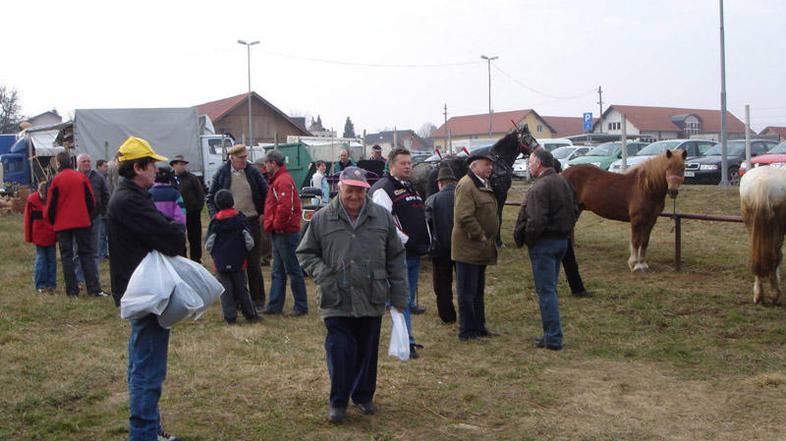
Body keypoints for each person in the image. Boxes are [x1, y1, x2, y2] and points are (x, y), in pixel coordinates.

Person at [297, 166, 408, 423]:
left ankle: (363, 395)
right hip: (336, 296)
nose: (355, 196)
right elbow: (305, 253)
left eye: (360, 191)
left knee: (367, 351)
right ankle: (338, 402)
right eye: (350, 190)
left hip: (372, 294)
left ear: (366, 191)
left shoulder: (381, 217)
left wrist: (400, 297)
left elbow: (396, 256)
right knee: (340, 349)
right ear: (339, 188)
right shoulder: (322, 218)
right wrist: (323, 273)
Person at [107, 136, 186, 441]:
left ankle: (150, 428)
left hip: (144, 290)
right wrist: (175, 229)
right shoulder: (130, 201)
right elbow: (172, 239)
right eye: (152, 164)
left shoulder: (132, 197)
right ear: (138, 168)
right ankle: (143, 434)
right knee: (147, 370)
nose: (156, 170)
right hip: (145, 294)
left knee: (143, 362)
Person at [370, 148, 429, 358]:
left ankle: (406, 338)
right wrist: (407, 240)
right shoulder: (383, 189)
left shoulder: (410, 187)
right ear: (391, 165)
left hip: (414, 253)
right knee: (400, 299)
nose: (408, 166)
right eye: (403, 163)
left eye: (409, 163)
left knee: (407, 298)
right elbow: (383, 223)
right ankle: (405, 344)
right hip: (399, 253)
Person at [516, 149, 576, 351]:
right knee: (551, 289)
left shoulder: (540, 187)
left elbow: (536, 221)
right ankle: (551, 334)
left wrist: (529, 240)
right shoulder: (563, 182)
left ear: (539, 164)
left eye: (531, 163)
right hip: (562, 241)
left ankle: (553, 337)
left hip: (545, 243)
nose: (529, 166)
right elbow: (573, 211)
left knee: (546, 291)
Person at [207, 144, 268, 309]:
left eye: (246, 157)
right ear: (231, 158)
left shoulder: (252, 172)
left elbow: (265, 192)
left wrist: (263, 212)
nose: (244, 161)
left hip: (252, 220)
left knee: (254, 262)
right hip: (230, 223)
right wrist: (216, 219)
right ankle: (238, 300)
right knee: (234, 263)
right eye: (241, 158)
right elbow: (211, 198)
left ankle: (257, 300)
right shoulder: (221, 173)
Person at [451, 153, 500, 340]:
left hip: (481, 248)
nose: (490, 168)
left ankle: (479, 327)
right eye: (486, 164)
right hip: (468, 248)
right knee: (467, 293)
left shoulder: (482, 183)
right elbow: (464, 216)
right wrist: (479, 234)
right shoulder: (466, 185)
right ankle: (467, 331)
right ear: (474, 166)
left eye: (491, 165)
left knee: (478, 291)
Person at [46, 151, 108, 298]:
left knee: (67, 257)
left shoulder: (55, 180)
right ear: (72, 162)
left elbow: (50, 205)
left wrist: (53, 220)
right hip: (82, 221)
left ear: (58, 163)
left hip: (62, 223)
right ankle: (94, 288)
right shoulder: (80, 177)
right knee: (87, 254)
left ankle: (72, 290)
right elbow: (91, 200)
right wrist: (87, 215)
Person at [262, 149, 308, 316]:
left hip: (285, 232)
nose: (265, 166)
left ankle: (301, 306)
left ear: (273, 163)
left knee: (292, 269)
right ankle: (274, 306)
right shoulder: (279, 180)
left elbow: (285, 207)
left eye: (267, 163)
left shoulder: (283, 181)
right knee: (278, 270)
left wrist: (277, 225)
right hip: (279, 231)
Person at [205, 189, 260, 325]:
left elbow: (209, 244)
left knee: (225, 291)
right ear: (232, 202)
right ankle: (250, 314)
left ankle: (230, 317)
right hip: (239, 261)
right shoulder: (240, 219)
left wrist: (214, 254)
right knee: (242, 289)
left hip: (221, 263)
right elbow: (249, 241)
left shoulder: (215, 222)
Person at [424, 166, 458, 324]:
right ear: (453, 182)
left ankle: (447, 316)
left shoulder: (432, 200)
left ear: (440, 183)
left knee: (442, 285)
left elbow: (427, 226)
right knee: (465, 282)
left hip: (440, 249)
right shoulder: (463, 197)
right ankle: (467, 313)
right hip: (462, 247)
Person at [73, 153, 110, 289]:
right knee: (78, 249)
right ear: (78, 163)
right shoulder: (74, 177)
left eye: (88, 161)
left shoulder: (98, 178)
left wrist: (103, 212)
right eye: (84, 161)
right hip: (78, 219)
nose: (87, 163)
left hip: (95, 218)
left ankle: (95, 279)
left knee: (94, 251)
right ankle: (79, 279)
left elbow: (106, 195)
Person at [171, 155, 205, 263]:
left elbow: (200, 194)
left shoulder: (192, 178)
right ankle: (182, 259)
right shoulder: (170, 178)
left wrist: (198, 208)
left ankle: (196, 259)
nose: (182, 166)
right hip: (177, 214)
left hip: (192, 212)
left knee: (194, 237)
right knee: (180, 237)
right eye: (180, 164)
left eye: (183, 164)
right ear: (174, 165)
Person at [24, 181, 57, 294]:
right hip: (39, 236)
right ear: (38, 191)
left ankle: (51, 284)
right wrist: (28, 236)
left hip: (51, 235)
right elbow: (28, 219)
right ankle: (41, 285)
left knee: (51, 260)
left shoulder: (52, 199)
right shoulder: (32, 200)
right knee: (41, 260)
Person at [96, 159, 110, 259]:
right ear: (99, 167)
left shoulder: (106, 177)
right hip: (100, 210)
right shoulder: (98, 178)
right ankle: (101, 253)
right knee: (101, 234)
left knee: (105, 233)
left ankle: (104, 252)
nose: (106, 168)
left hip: (106, 209)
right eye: (105, 166)